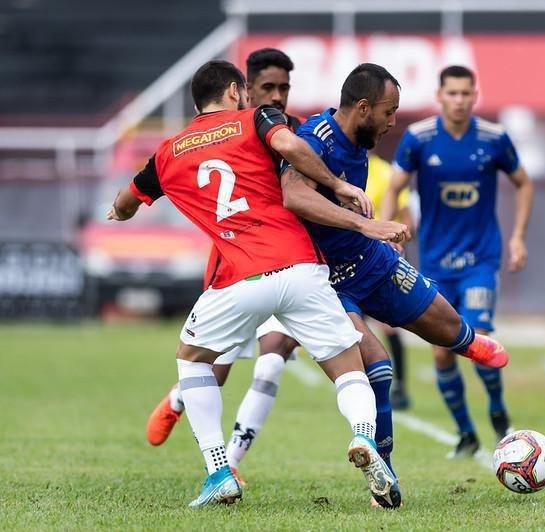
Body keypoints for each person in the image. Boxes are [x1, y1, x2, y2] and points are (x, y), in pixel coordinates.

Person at [110, 60, 408, 507]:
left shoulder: (168, 151)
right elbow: (288, 145)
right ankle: (364, 437)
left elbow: (126, 202)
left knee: (192, 360)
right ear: (235, 91)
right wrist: (336, 184)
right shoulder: (256, 119)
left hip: (237, 277)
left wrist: (119, 211)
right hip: (301, 267)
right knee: (348, 367)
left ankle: (219, 470)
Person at [283, 63, 511, 494]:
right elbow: (293, 195)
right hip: (325, 279)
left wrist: (377, 233)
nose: (392, 121)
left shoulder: (359, 139)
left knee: (447, 321)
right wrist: (368, 225)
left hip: (370, 259)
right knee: (379, 368)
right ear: (363, 107)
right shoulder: (316, 139)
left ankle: (467, 342)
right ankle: (383, 472)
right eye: (389, 112)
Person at [146, 50, 307, 483]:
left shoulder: (293, 132)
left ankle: (230, 461)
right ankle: (179, 398)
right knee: (214, 369)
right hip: (233, 268)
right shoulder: (233, 131)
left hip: (287, 263)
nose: (277, 96)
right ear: (243, 90)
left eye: (284, 88)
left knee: (272, 360)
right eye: (268, 87)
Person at [383, 65, 534, 458]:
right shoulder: (419, 138)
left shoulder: (494, 138)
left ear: (475, 96)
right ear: (439, 96)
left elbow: (524, 183)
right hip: (435, 263)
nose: (459, 100)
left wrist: (518, 236)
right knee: (441, 351)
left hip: (480, 260)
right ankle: (466, 434)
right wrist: (384, 229)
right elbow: (394, 186)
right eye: (452, 93)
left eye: (466, 93)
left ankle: (498, 412)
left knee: (478, 341)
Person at [364, 153, 415, 410]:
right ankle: (362, 388)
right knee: (350, 328)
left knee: (388, 326)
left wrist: (393, 238)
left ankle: (400, 387)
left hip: (379, 262)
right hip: (347, 260)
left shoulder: (385, 173)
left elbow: (407, 218)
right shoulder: (337, 166)